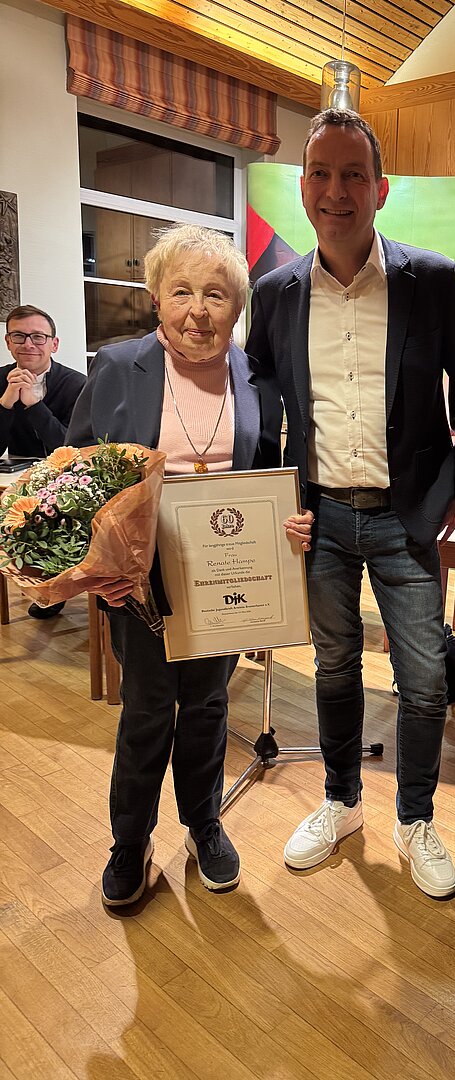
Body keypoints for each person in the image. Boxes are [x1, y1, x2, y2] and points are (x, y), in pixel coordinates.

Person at [247, 108, 455, 898]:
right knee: (334, 666)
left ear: (380, 189)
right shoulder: (275, 293)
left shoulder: (434, 280)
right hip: (317, 517)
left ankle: (414, 819)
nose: (337, 190)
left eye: (354, 174)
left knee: (424, 680)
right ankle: (341, 801)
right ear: (303, 188)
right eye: (321, 173)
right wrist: (269, 493)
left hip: (405, 513)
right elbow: (259, 397)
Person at [67, 224, 278, 907]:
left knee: (209, 705)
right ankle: (130, 840)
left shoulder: (257, 377)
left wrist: (290, 525)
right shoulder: (117, 366)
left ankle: (204, 823)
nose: (198, 310)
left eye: (216, 294)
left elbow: (269, 472)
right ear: (156, 298)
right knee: (148, 710)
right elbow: (75, 475)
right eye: (181, 291)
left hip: (226, 572)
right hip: (140, 579)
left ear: (236, 306)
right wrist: (95, 562)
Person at [2, 305, 86, 619]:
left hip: (68, 476)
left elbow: (69, 447)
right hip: (18, 477)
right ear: (8, 342)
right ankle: (38, 580)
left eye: (38, 337)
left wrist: (35, 405)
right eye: (19, 336)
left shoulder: (76, 384)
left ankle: (52, 586)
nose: (29, 344)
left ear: (54, 344)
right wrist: (5, 403)